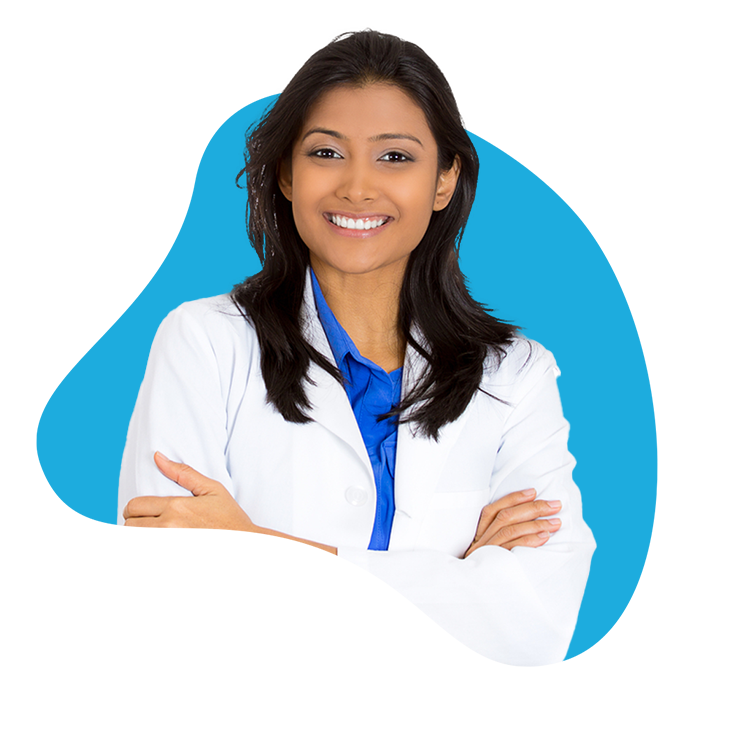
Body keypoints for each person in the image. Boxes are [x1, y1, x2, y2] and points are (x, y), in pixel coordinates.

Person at [115, 27, 596, 666]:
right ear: (286, 173)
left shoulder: (515, 376)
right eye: (326, 152)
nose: (358, 187)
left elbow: (534, 630)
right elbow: (174, 643)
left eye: (395, 156)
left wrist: (259, 555)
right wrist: (451, 598)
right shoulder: (203, 343)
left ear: (445, 180)